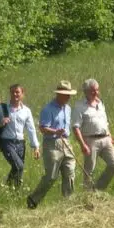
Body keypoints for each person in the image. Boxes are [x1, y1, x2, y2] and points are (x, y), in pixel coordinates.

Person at [26, 81, 78, 209]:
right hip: (52, 144)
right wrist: (55, 131)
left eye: (69, 95)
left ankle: (68, 202)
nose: (68, 97)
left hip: (66, 142)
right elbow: (43, 128)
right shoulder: (48, 109)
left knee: (70, 172)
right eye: (66, 95)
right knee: (51, 176)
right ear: (59, 94)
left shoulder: (68, 108)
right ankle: (33, 199)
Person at [0, 84, 40, 188]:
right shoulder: (2, 108)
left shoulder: (26, 111)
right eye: (12, 92)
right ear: (10, 93)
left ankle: (14, 192)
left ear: (22, 94)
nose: (15, 94)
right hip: (7, 142)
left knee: (19, 169)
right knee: (19, 166)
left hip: (21, 144)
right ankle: (8, 187)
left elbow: (31, 129)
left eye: (17, 92)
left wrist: (36, 147)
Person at [72, 78, 114, 191]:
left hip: (105, 139)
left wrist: (109, 135)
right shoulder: (80, 107)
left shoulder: (100, 104)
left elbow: (105, 122)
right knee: (89, 170)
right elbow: (76, 127)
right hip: (90, 140)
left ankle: (98, 189)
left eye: (97, 90)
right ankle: (88, 195)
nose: (96, 93)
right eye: (93, 91)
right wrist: (82, 144)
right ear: (86, 91)